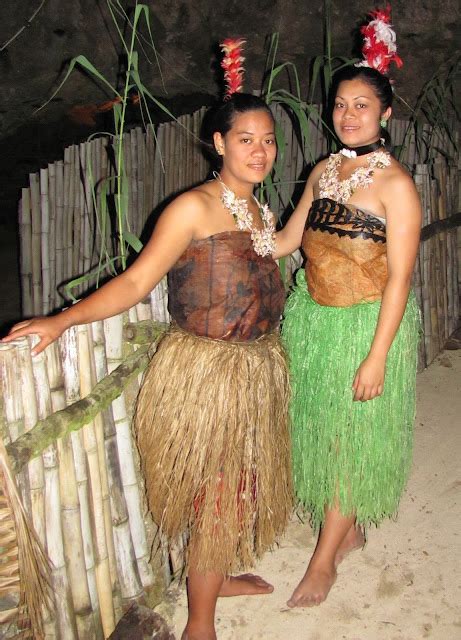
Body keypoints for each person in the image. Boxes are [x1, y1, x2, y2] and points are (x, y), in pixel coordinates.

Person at [2, 93, 292, 640]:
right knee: (217, 488)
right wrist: (62, 321)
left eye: (269, 139)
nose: (261, 151)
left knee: (237, 485)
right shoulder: (192, 208)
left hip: (255, 367)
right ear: (219, 143)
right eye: (246, 139)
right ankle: (200, 623)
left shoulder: (256, 206)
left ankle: (214, 575)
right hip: (209, 373)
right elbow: (136, 281)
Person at [274, 63, 422, 607]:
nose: (348, 114)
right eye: (340, 103)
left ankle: (322, 562)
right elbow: (287, 240)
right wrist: (232, 212)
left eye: (361, 104)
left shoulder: (396, 184)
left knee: (346, 442)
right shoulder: (323, 171)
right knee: (317, 429)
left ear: (385, 112)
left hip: (366, 326)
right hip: (314, 322)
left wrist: (377, 356)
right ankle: (349, 531)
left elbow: (401, 277)